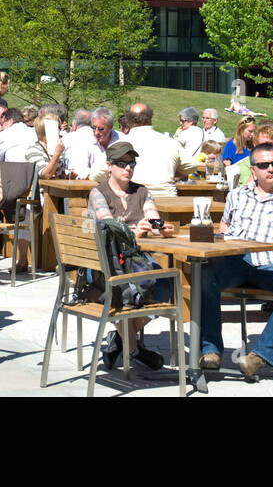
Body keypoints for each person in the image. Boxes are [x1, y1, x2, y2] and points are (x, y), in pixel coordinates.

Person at [199, 142, 273, 380]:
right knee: (202, 275)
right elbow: (224, 227)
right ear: (253, 170)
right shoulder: (236, 196)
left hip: (272, 264)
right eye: (264, 165)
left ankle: (260, 355)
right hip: (235, 260)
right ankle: (211, 350)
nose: (271, 169)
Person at [86, 139, 176, 371]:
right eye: (122, 163)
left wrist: (160, 228)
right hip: (104, 266)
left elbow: (152, 216)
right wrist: (135, 232)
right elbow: (109, 229)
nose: (128, 168)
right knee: (138, 288)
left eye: (132, 163)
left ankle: (121, 338)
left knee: (167, 285)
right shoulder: (98, 193)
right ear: (109, 165)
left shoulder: (141, 191)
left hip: (135, 264)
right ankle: (134, 348)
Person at [124, 102, 187, 199]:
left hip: (134, 201)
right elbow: (191, 165)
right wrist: (172, 171)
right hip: (167, 198)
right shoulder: (170, 142)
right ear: (150, 117)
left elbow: (99, 173)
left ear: (128, 120)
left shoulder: (121, 143)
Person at [51, 107, 118, 180]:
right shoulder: (82, 140)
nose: (96, 132)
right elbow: (78, 170)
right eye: (93, 127)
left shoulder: (121, 140)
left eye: (101, 129)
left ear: (110, 126)